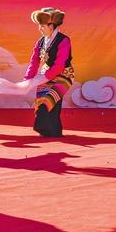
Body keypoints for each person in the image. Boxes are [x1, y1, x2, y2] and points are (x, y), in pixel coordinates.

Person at [27, 8, 74, 137]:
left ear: (51, 26)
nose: (39, 29)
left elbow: (59, 64)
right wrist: (29, 78)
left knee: (51, 98)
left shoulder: (64, 40)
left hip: (64, 74)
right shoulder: (41, 41)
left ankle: (53, 131)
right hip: (46, 74)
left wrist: (44, 77)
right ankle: (48, 131)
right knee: (41, 100)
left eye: (42, 26)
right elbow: (34, 61)